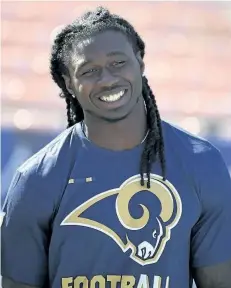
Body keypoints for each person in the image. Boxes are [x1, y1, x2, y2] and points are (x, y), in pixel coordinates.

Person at [1, 6, 231, 288]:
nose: (107, 79)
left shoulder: (202, 164)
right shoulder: (36, 179)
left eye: (118, 63)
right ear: (68, 84)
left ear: (140, 63)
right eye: (89, 71)